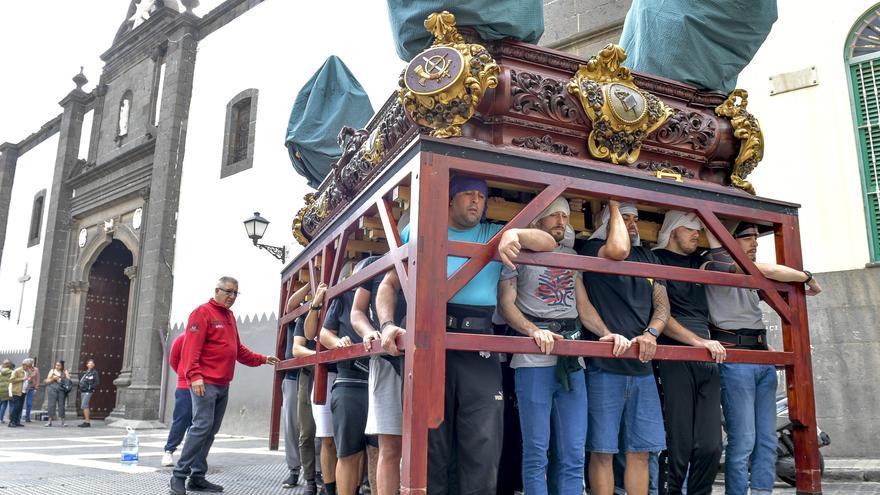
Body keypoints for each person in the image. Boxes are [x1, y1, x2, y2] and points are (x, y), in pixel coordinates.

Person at [376, 174, 557, 495]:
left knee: (483, 447)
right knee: (432, 449)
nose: (476, 200)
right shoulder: (416, 230)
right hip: (431, 342)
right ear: (449, 198)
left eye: (481, 196)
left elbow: (549, 242)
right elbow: (388, 285)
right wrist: (388, 325)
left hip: (479, 346)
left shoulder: (493, 233)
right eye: (468, 194)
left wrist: (514, 232)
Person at [497, 196, 632, 495]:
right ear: (538, 220)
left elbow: (582, 306)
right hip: (533, 360)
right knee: (536, 452)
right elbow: (506, 304)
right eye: (554, 215)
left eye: (565, 216)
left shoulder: (571, 255)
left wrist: (607, 333)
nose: (561, 221)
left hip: (572, 359)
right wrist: (534, 331)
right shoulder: (518, 252)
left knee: (573, 452)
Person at [703, 222, 822, 495]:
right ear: (729, 242)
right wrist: (806, 276)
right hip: (735, 358)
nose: (754, 243)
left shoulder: (750, 274)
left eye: (756, 237)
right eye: (746, 238)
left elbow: (775, 285)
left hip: (761, 357)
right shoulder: (711, 264)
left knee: (767, 440)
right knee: (743, 440)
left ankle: (762, 492)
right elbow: (767, 270)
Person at [578, 201, 669, 495]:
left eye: (635, 218)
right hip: (605, 367)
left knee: (641, 451)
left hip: (641, 368)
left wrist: (652, 333)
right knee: (602, 451)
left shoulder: (649, 258)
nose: (632, 223)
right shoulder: (591, 250)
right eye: (624, 218)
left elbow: (662, 306)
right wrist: (613, 203)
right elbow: (617, 250)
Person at [169, 276, 280, 495]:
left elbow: (237, 349)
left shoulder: (229, 316)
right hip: (205, 383)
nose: (232, 297)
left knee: (210, 430)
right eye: (228, 291)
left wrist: (262, 358)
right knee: (201, 427)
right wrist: (195, 376)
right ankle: (179, 476)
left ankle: (197, 477)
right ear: (216, 290)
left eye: (235, 293)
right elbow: (190, 349)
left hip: (222, 384)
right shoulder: (202, 313)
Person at [651, 211, 730, 494]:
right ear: (672, 230)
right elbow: (661, 314)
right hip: (675, 349)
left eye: (700, 229)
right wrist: (696, 341)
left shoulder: (701, 260)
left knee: (711, 445)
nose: (697, 234)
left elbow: (728, 261)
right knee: (679, 440)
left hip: (708, 350)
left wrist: (710, 219)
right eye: (690, 228)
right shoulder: (655, 258)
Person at [319, 257, 380, 495]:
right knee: (349, 452)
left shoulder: (387, 290)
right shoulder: (344, 297)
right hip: (351, 379)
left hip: (383, 377)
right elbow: (324, 333)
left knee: (379, 450)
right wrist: (338, 343)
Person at [351, 254, 407, 495]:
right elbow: (357, 311)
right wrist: (369, 332)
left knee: (433, 445)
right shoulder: (374, 262)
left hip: (430, 355)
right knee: (391, 446)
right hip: (388, 359)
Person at [293, 294, 326, 495]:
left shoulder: (339, 305)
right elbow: (296, 349)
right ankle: (310, 479)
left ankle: (328, 479)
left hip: (332, 371)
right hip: (309, 374)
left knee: (330, 434)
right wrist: (320, 355)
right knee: (307, 433)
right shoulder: (306, 313)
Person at [280, 283, 311, 488]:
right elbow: (289, 305)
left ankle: (316, 473)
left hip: (315, 374)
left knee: (313, 428)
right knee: (292, 426)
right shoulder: (300, 308)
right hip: (293, 375)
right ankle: (293, 470)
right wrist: (312, 283)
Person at [162, 333, 193, 467]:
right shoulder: (182, 338)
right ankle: (169, 451)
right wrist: (183, 375)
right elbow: (173, 360)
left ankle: (191, 455)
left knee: (198, 423)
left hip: (205, 386)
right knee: (181, 419)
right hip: (185, 386)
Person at [45, 360, 71, 427]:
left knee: (61, 405)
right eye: (56, 365)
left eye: (59, 365)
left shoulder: (65, 372)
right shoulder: (52, 371)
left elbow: (68, 381)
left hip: (61, 390)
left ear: (62, 366)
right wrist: (53, 378)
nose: (57, 366)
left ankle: (63, 421)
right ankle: (49, 421)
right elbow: (47, 381)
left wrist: (61, 380)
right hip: (52, 389)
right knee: (51, 405)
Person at [78, 358, 99, 427]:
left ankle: (87, 422)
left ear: (94, 365)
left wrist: (90, 387)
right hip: (83, 390)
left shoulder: (94, 372)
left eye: (92, 363)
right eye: (90, 363)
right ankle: (86, 421)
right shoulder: (85, 372)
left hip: (88, 391)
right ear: (87, 365)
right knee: (84, 406)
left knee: (84, 405)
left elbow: (96, 382)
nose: (91, 364)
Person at [22, 358, 39, 422]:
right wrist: (30, 377)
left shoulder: (36, 369)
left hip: (31, 388)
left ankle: (27, 417)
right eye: (29, 363)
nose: (31, 364)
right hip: (24, 388)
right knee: (21, 402)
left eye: (31, 363)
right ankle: (19, 416)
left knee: (29, 403)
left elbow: (37, 379)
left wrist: (36, 388)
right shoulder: (24, 369)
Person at [0, 360, 12, 424]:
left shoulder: (1, 372)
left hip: (1, 389)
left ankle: (1, 419)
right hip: (8, 389)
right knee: (10, 404)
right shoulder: (11, 372)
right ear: (9, 365)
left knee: (3, 404)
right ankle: (11, 419)